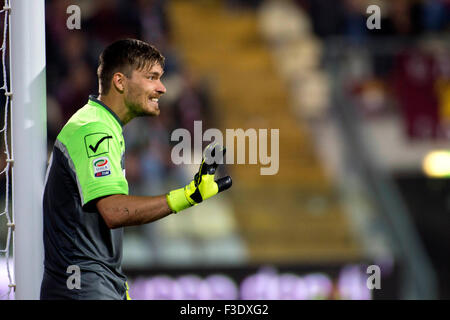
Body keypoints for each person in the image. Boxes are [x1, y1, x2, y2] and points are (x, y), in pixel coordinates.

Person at [40, 38, 232, 300]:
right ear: (120, 82)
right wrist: (187, 195)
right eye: (152, 77)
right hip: (83, 290)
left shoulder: (103, 126)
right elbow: (114, 210)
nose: (162, 88)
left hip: (94, 285)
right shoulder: (93, 129)